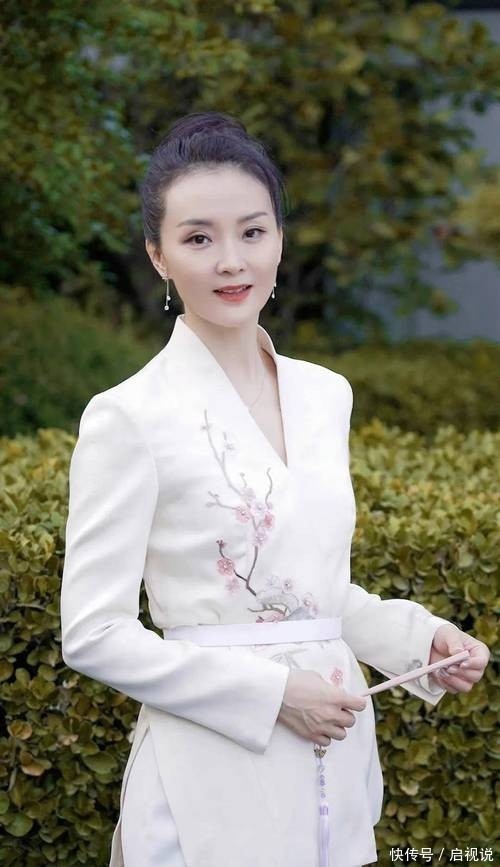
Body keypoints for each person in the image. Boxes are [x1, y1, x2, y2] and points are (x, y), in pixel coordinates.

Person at [60, 111, 490, 867]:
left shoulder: (326, 395)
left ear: (280, 240)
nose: (232, 261)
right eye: (198, 238)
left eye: (252, 232)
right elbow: (93, 633)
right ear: (159, 256)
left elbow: (315, 591)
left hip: (336, 766)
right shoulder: (129, 416)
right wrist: (272, 695)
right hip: (208, 776)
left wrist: (416, 639)